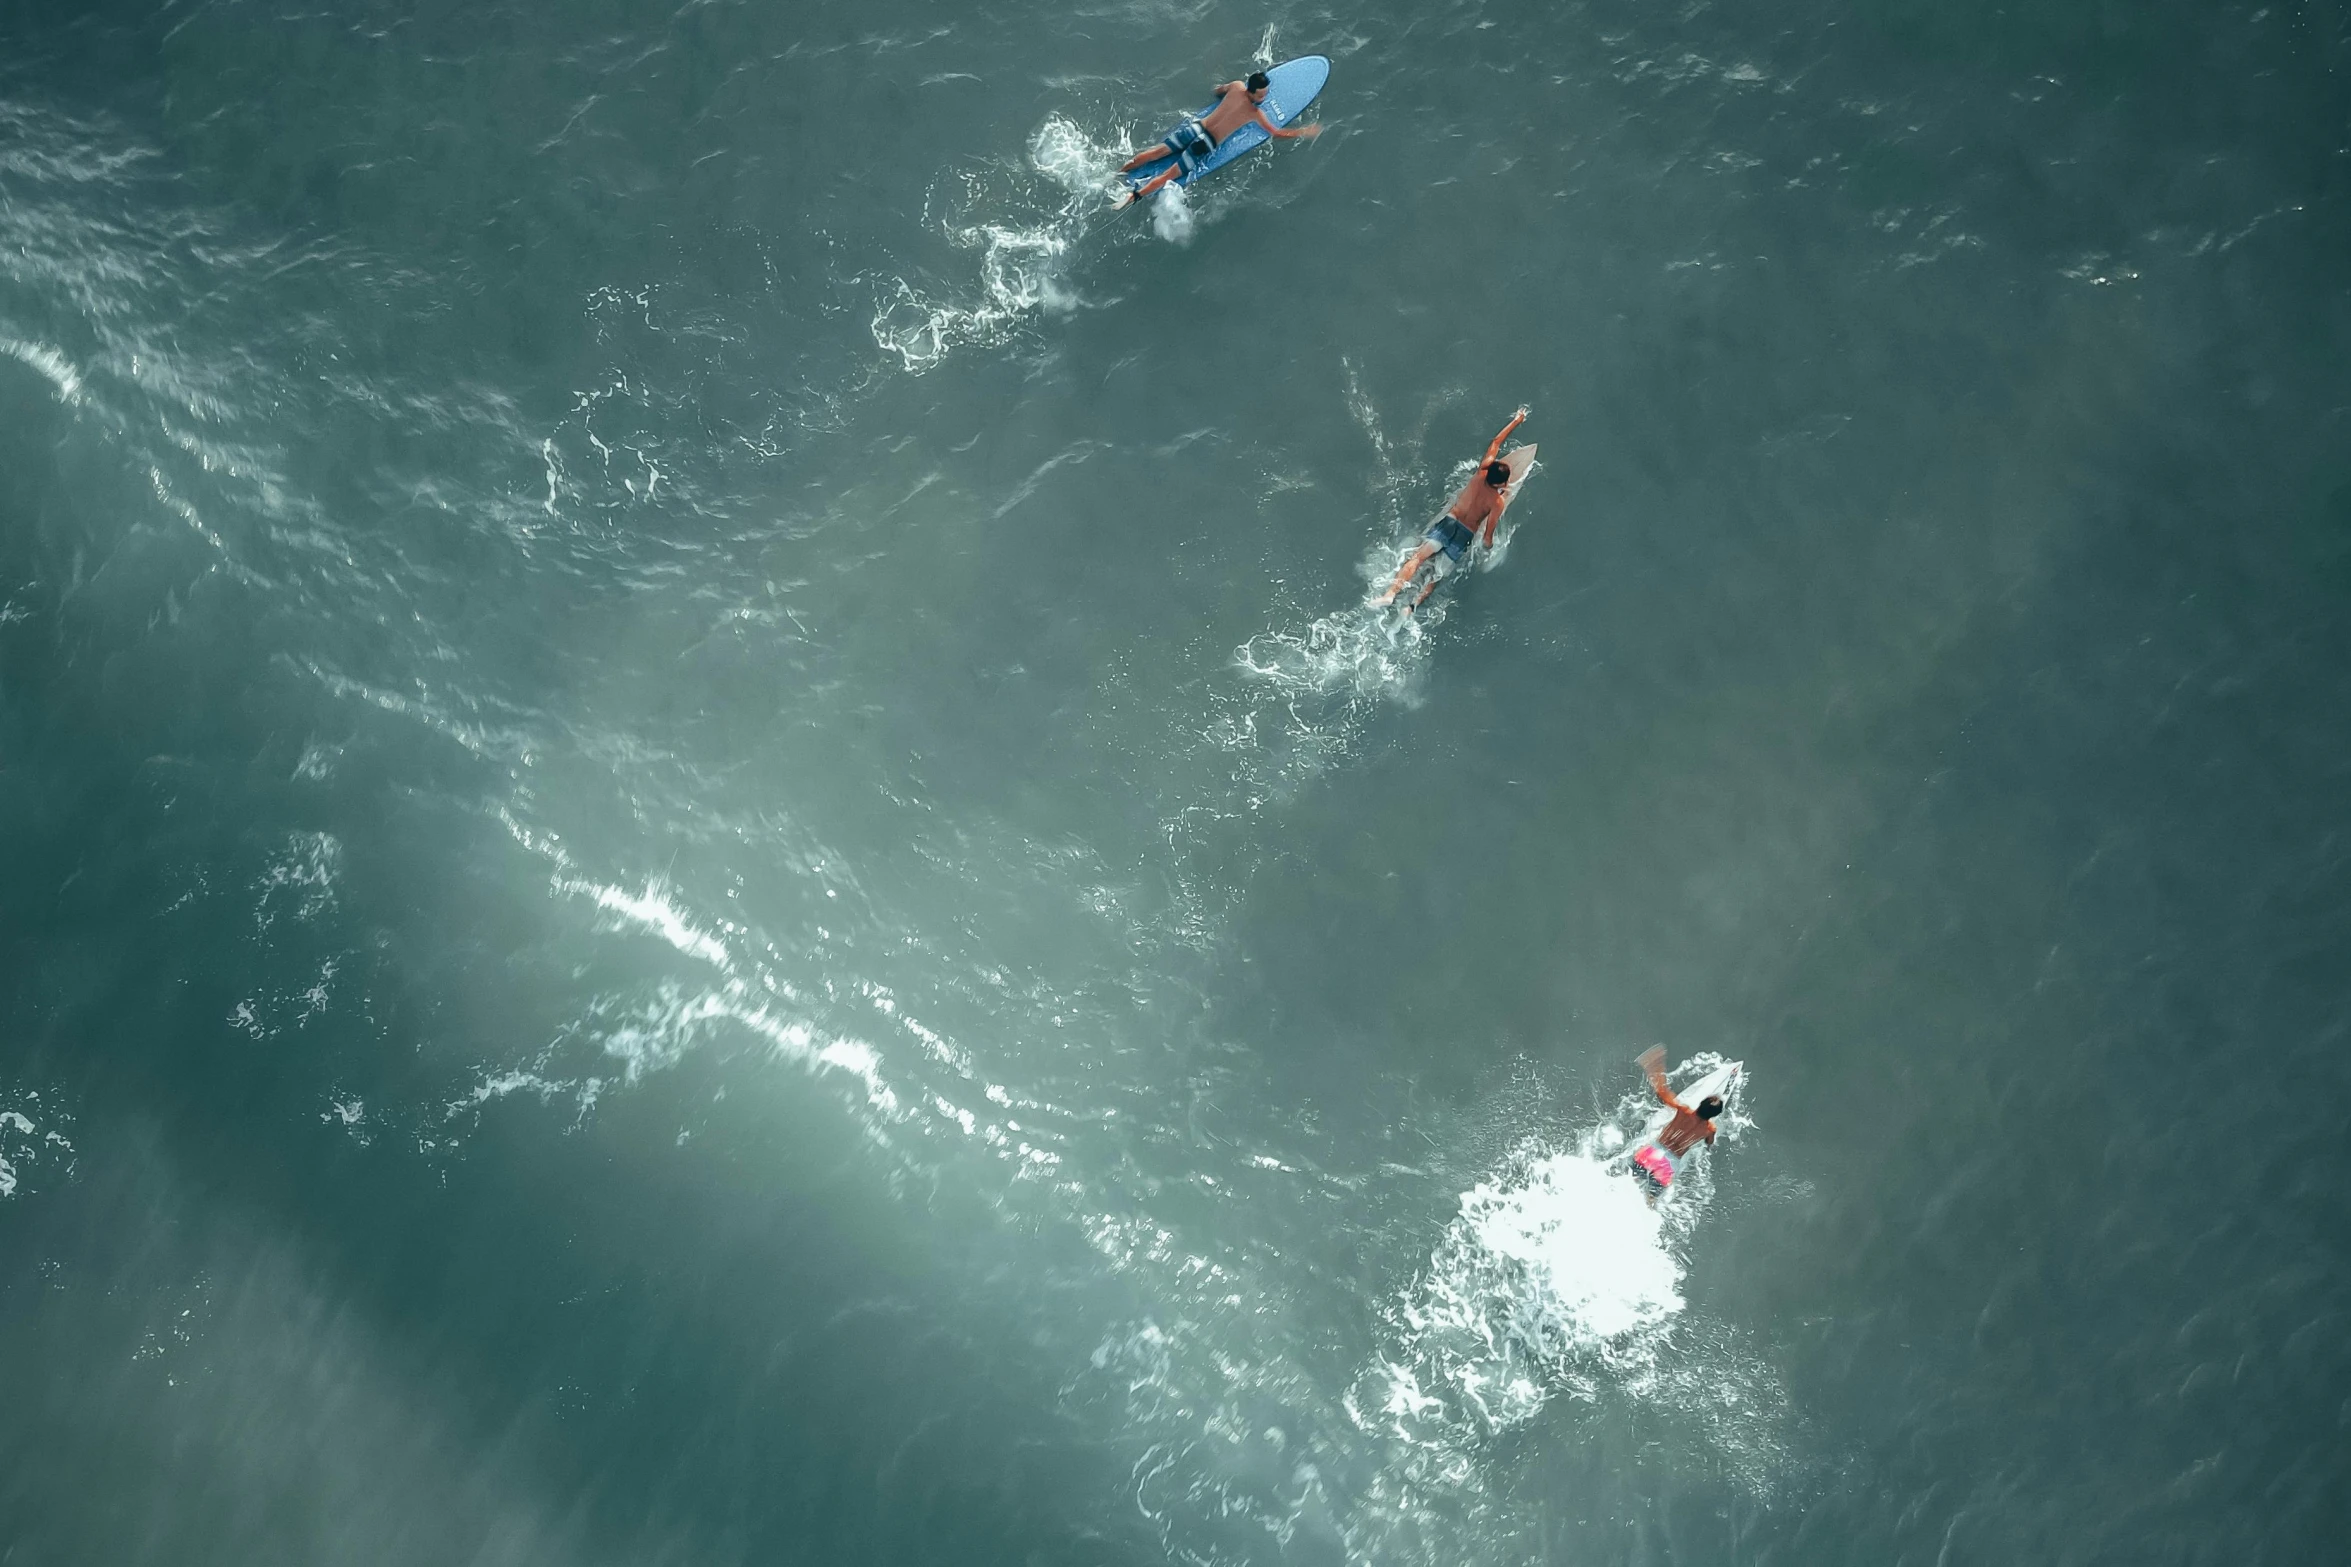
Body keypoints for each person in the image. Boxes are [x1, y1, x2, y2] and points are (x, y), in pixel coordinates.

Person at [1375, 406, 1529, 612]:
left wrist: (1516, 420)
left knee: (1418, 558)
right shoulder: (1497, 502)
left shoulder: (1480, 473)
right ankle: (1411, 607)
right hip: (1463, 536)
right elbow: (1487, 537)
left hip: (1449, 523)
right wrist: (1489, 549)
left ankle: (1390, 594)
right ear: (1501, 485)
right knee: (1435, 576)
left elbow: (1495, 442)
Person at [1115, 70, 1321, 207]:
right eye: (1261, 96)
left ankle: (1119, 172)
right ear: (1252, 93)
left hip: (1195, 128)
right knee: (1168, 174)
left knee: (1154, 153)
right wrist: (1303, 131)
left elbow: (1218, 90)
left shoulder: (1237, 86)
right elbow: (1275, 133)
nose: (1264, 98)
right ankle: (1134, 196)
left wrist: (1223, 93)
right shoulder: (1255, 113)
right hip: (1205, 144)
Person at [1626, 1046, 1724, 1206]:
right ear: (1714, 1116)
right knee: (1649, 1200)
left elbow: (1662, 1092)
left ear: (1700, 1103)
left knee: (1628, 1181)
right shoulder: (1710, 1129)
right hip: (1670, 1163)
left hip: (1653, 1152)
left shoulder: (1684, 1111)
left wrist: (1655, 1066)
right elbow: (1709, 1143)